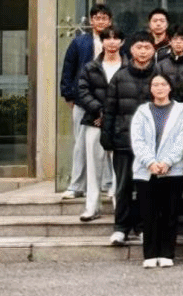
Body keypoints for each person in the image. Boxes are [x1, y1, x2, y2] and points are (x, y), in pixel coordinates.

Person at [100, 33, 157, 246]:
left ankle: (143, 227)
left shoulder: (159, 76)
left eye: (147, 47)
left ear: (153, 50)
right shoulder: (120, 76)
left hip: (150, 144)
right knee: (123, 187)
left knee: (146, 188)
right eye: (138, 47)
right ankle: (121, 228)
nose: (142, 51)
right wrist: (107, 137)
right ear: (131, 50)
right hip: (123, 140)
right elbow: (109, 109)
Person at [130, 73, 183, 269]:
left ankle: (166, 253)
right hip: (146, 171)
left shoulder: (181, 110)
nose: (159, 88)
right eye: (155, 85)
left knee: (169, 214)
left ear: (170, 87)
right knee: (149, 214)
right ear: (150, 89)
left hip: (172, 170)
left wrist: (167, 162)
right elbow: (137, 140)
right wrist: (150, 162)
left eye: (163, 84)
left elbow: (182, 138)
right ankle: (150, 254)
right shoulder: (142, 111)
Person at [60, 3, 114, 200]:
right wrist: (68, 95)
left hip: (109, 101)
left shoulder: (115, 41)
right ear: (91, 21)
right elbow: (68, 69)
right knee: (81, 144)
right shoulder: (79, 42)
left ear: (110, 21)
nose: (100, 21)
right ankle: (77, 185)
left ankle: (108, 183)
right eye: (97, 18)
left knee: (109, 143)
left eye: (104, 18)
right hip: (83, 100)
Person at [73, 26, 124, 222]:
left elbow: (130, 94)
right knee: (94, 167)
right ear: (102, 42)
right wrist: (100, 111)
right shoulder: (90, 67)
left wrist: (110, 115)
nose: (112, 42)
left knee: (120, 168)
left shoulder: (127, 67)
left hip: (119, 123)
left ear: (122, 42)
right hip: (94, 121)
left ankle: (120, 208)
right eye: (107, 38)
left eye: (115, 38)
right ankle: (92, 207)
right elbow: (83, 92)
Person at [155, 25, 183, 105]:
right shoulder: (161, 65)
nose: (178, 42)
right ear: (170, 42)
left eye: (182, 39)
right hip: (166, 105)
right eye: (175, 39)